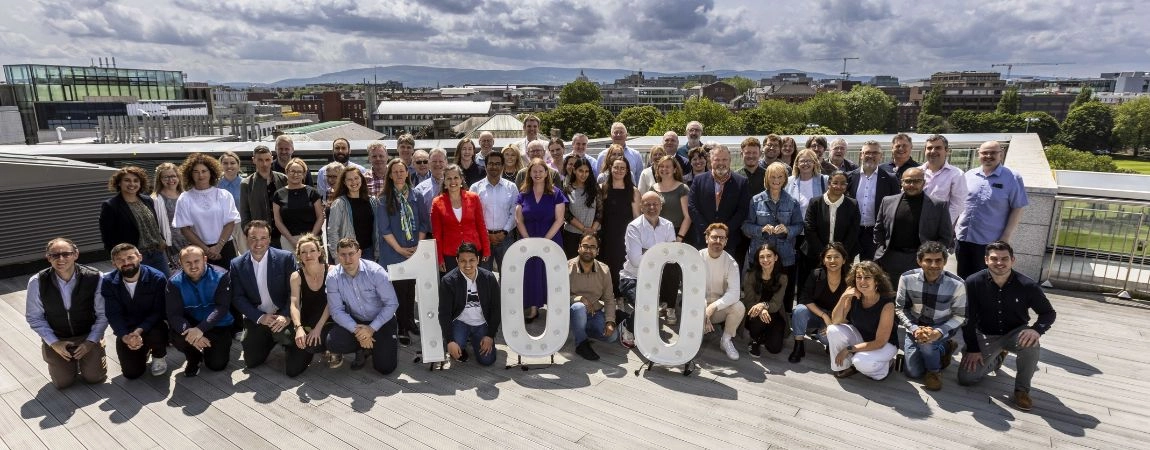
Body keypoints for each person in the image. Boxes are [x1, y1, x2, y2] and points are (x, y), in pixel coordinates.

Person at [958, 241, 1056, 412]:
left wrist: (1036, 330)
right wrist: (973, 348)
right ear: (986, 260)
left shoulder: (1027, 285)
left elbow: (1048, 313)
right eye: (994, 259)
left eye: (1004, 259)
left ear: (1013, 260)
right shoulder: (973, 282)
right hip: (986, 334)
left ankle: (1021, 390)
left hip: (1016, 333)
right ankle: (997, 358)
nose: (999, 263)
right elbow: (968, 318)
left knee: (1031, 343)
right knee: (966, 378)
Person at [25, 238, 108, 388]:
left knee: (95, 377)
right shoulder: (37, 282)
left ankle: (97, 347)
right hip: (58, 336)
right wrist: (54, 343)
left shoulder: (95, 277)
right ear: (48, 258)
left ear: (76, 254)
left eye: (66, 254)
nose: (60, 259)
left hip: (86, 335)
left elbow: (103, 314)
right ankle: (65, 360)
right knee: (63, 383)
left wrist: (91, 341)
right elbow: (34, 317)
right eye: (54, 255)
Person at [229, 221, 304, 372]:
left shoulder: (285, 258)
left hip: (283, 315)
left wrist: (285, 315)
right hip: (259, 316)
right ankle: (270, 337)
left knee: (293, 366)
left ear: (269, 239)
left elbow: (294, 292)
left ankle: (283, 339)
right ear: (246, 238)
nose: (258, 243)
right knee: (252, 361)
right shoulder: (236, 264)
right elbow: (237, 297)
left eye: (263, 238)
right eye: (253, 238)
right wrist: (259, 317)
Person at [895, 241, 967, 391]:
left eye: (938, 260)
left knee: (927, 344)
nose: (934, 265)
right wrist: (914, 328)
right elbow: (900, 309)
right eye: (928, 260)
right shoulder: (906, 278)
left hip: (941, 327)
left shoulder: (957, 284)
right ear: (919, 261)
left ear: (945, 261)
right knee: (912, 372)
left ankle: (934, 372)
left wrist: (939, 332)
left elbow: (960, 316)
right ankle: (943, 350)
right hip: (915, 325)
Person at [955, 141, 1029, 278]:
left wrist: (1005, 237)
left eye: (993, 153)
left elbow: (1018, 208)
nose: (988, 156)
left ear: (1001, 154)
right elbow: (960, 203)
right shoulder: (969, 175)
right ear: (979, 154)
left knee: (985, 282)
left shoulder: (1012, 177)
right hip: (963, 239)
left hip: (989, 243)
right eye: (984, 153)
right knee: (963, 279)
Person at [325, 238, 400, 374]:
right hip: (356, 322)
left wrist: (371, 329)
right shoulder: (332, 277)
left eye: (351, 253)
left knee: (385, 368)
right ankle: (362, 347)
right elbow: (336, 311)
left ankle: (379, 344)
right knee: (333, 341)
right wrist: (359, 332)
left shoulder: (376, 272)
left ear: (359, 253)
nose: (347, 259)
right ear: (337, 255)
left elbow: (392, 303)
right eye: (343, 254)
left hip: (381, 320)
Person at [378, 158, 429, 346]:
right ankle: (402, 327)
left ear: (407, 173)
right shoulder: (383, 199)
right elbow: (384, 229)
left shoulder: (417, 195)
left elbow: (424, 222)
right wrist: (400, 249)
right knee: (399, 291)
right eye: (395, 172)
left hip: (414, 250)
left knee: (410, 289)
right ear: (390, 175)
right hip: (394, 251)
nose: (399, 174)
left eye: (402, 171)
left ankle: (409, 321)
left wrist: (419, 245)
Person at [617, 191, 677, 348]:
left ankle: (630, 321)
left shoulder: (668, 225)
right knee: (645, 305)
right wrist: (660, 253)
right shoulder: (634, 227)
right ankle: (627, 327)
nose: (652, 207)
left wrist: (646, 251)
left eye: (655, 204)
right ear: (641, 207)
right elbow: (636, 261)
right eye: (647, 204)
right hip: (631, 278)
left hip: (654, 279)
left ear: (661, 206)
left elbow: (671, 257)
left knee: (648, 309)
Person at [875, 167, 954, 283]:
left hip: (920, 260)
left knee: (916, 297)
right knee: (889, 294)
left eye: (917, 181)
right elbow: (879, 229)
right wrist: (882, 249)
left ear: (924, 182)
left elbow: (946, 236)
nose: (911, 184)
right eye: (907, 181)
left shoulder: (938, 206)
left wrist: (931, 258)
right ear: (901, 182)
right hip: (890, 258)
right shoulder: (887, 201)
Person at [101, 243, 170, 378]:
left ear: (140, 257)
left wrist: (139, 330)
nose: (126, 262)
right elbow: (113, 313)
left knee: (158, 331)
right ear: (114, 263)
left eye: (130, 257)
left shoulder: (157, 277)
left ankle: (158, 355)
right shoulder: (108, 282)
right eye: (120, 260)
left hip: (152, 325)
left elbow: (159, 311)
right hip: (127, 329)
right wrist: (125, 336)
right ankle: (142, 349)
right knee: (131, 374)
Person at [743, 162, 804, 311]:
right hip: (760, 254)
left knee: (785, 292)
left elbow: (800, 226)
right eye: (772, 177)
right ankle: (755, 316)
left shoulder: (792, 202)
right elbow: (746, 226)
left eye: (780, 177)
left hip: (785, 256)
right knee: (759, 290)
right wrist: (761, 229)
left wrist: (787, 229)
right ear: (767, 178)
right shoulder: (755, 200)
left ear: (785, 179)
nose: (776, 180)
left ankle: (785, 321)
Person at [166, 245, 234, 377]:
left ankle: (209, 349)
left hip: (216, 324)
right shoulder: (174, 282)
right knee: (178, 336)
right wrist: (193, 334)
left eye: (197, 261)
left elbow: (222, 307)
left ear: (205, 259)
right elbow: (174, 314)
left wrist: (201, 329)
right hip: (190, 324)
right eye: (188, 262)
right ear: (180, 263)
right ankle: (193, 357)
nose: (193, 266)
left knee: (217, 365)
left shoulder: (221, 275)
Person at [515, 158, 568, 322]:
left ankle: (554, 309)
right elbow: (519, 220)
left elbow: (560, 219)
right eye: (534, 171)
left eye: (540, 171)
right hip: (528, 239)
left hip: (551, 239)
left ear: (547, 173)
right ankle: (533, 309)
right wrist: (530, 241)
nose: (537, 174)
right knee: (531, 274)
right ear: (529, 173)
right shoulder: (523, 194)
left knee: (550, 274)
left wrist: (544, 241)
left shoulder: (556, 193)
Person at [827, 261, 898, 380]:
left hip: (884, 344)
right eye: (859, 277)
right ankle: (842, 367)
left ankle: (885, 368)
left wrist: (848, 349)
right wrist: (844, 297)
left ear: (877, 281)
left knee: (861, 361)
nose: (862, 281)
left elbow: (880, 342)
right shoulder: (855, 296)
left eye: (867, 277)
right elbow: (835, 321)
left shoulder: (887, 304)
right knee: (832, 329)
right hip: (861, 338)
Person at [438, 243, 502, 366]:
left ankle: (476, 339)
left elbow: (496, 309)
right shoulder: (448, 281)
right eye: (463, 261)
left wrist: (490, 336)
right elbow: (444, 313)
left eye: (471, 260)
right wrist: (450, 341)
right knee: (455, 350)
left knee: (487, 361)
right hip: (460, 321)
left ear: (478, 259)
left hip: (481, 323)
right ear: (457, 260)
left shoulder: (489, 278)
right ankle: (463, 342)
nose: (467, 265)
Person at [173, 152, 242, 264]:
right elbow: (185, 229)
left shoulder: (223, 195)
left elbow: (230, 223)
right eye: (196, 172)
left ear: (211, 172)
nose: (200, 175)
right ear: (190, 174)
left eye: (204, 171)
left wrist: (218, 247)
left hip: (225, 246)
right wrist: (206, 250)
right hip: (198, 250)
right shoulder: (185, 198)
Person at [100, 166, 169, 275]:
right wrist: (120, 258)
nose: (132, 184)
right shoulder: (111, 206)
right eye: (127, 180)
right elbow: (107, 237)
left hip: (158, 253)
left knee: (165, 285)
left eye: (136, 181)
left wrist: (162, 240)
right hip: (134, 256)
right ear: (119, 183)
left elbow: (153, 224)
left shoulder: (147, 200)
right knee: (142, 288)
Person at [288, 234, 339, 375]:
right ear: (299, 255)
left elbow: (331, 303)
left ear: (319, 252)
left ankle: (330, 346)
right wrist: (298, 328)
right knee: (292, 370)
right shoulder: (296, 276)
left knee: (324, 340)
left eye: (311, 250)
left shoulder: (332, 271)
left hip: (330, 321)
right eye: (303, 252)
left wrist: (318, 328)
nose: (308, 255)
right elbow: (294, 304)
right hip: (308, 322)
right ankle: (317, 347)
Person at [790, 243, 849, 363]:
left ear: (844, 260)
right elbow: (805, 298)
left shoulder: (849, 279)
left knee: (826, 339)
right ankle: (798, 345)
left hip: (837, 317)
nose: (832, 260)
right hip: (817, 313)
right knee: (799, 310)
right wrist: (824, 316)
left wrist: (833, 324)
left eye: (837, 257)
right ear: (823, 260)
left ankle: (829, 343)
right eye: (829, 257)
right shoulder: (816, 274)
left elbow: (849, 308)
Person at [688, 144, 749, 256]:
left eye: (724, 159)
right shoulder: (698, 180)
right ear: (710, 161)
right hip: (703, 239)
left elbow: (742, 210)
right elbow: (692, 207)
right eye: (717, 159)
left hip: (729, 241)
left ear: (730, 161)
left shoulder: (741, 182)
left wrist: (723, 232)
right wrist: (708, 230)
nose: (721, 163)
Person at [567, 234, 620, 360]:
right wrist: (580, 299)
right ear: (578, 248)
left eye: (592, 247)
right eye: (585, 246)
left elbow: (609, 299)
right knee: (579, 308)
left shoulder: (604, 270)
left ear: (597, 251)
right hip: (572, 313)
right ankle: (581, 344)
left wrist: (610, 321)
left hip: (594, 313)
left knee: (612, 337)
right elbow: (558, 297)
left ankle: (581, 331)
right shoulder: (567, 268)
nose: (588, 250)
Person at [847, 140, 901, 261]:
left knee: (870, 269)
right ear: (861, 155)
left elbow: (896, 206)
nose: (871, 156)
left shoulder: (890, 179)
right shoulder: (849, 177)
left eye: (875, 153)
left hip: (874, 233)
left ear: (881, 156)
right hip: (852, 230)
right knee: (846, 267)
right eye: (867, 152)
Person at [432, 164, 491, 274]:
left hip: (474, 251)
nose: (452, 181)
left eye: (456, 178)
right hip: (450, 254)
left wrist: (486, 250)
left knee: (474, 285)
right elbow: (437, 234)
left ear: (461, 180)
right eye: (449, 178)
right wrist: (439, 258)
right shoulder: (437, 202)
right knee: (455, 287)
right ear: (444, 182)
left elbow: (481, 225)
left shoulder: (473, 198)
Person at [700, 224, 745, 361]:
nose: (717, 241)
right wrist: (703, 309)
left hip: (717, 309)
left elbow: (734, 293)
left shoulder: (731, 263)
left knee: (739, 307)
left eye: (721, 238)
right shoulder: (696, 257)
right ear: (707, 238)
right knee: (692, 344)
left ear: (726, 241)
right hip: (696, 307)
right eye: (714, 237)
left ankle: (725, 340)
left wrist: (712, 307)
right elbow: (690, 289)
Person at [597, 157, 640, 298]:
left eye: (622, 168)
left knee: (623, 265)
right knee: (608, 265)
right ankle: (610, 295)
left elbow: (637, 216)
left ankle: (621, 296)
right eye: (616, 167)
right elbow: (599, 213)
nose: (619, 171)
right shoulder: (603, 188)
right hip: (607, 234)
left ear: (627, 171)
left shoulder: (633, 191)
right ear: (610, 169)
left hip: (625, 235)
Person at [470, 151, 519, 271]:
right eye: (491, 164)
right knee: (483, 275)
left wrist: (504, 232)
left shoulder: (511, 187)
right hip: (483, 238)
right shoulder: (475, 188)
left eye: (498, 164)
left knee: (508, 274)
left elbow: (515, 212)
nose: (494, 167)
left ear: (503, 166)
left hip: (506, 238)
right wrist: (486, 233)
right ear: (485, 166)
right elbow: (472, 215)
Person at [803, 170, 861, 269]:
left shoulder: (853, 204)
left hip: (843, 257)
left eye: (843, 184)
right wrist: (824, 253)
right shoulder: (815, 203)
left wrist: (840, 253)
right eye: (835, 183)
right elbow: (809, 229)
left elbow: (853, 232)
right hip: (815, 255)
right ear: (829, 184)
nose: (839, 186)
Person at [326, 165, 379, 261]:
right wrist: (337, 257)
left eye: (356, 178)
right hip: (348, 254)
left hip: (369, 251)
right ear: (344, 182)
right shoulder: (339, 203)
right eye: (349, 179)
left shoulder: (372, 201)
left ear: (361, 179)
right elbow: (333, 232)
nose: (354, 182)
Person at [240, 146, 288, 248]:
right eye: (260, 160)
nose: (264, 164)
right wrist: (251, 235)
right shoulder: (247, 184)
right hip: (260, 237)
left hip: (284, 234)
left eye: (267, 159)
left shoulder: (283, 179)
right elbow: (245, 213)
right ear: (254, 160)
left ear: (272, 158)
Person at [272, 158, 324, 250]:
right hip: (288, 240)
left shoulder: (313, 192)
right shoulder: (278, 194)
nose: (295, 174)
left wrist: (310, 238)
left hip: (312, 239)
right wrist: (291, 240)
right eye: (292, 171)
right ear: (287, 172)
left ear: (304, 174)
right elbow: (278, 221)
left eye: (299, 172)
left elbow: (320, 217)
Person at [153, 162, 192, 271]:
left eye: (173, 176)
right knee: (180, 271)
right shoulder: (156, 199)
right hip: (172, 243)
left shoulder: (187, 196)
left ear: (178, 177)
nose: (170, 180)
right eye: (166, 177)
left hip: (191, 239)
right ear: (160, 179)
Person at [921, 134, 968, 225]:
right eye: (929, 148)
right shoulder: (917, 172)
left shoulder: (956, 174)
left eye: (938, 148)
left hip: (938, 226)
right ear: (925, 151)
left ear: (947, 151)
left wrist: (943, 225)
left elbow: (958, 205)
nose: (933, 151)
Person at [562, 157, 602, 259]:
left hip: (593, 236)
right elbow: (566, 214)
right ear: (574, 170)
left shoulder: (595, 188)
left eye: (586, 171)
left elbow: (600, 211)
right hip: (572, 235)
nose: (583, 174)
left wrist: (592, 230)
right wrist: (583, 229)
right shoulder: (568, 189)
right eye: (580, 171)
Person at [218, 151, 247, 253]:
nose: (229, 166)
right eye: (225, 163)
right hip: (222, 227)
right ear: (221, 165)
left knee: (246, 254)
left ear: (238, 165)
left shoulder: (246, 183)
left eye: (232, 163)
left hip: (242, 226)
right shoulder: (215, 185)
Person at [414, 147, 449, 224]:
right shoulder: (419, 190)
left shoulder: (455, 185)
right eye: (434, 161)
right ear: (429, 163)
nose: (437, 164)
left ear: (446, 163)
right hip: (428, 234)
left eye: (440, 161)